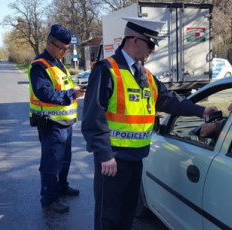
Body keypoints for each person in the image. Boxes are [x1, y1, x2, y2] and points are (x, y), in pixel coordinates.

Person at [81, 17, 217, 230]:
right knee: (108, 218)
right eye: (150, 44)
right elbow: (92, 117)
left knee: (126, 216)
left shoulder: (145, 75)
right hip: (113, 160)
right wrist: (104, 154)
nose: (152, 50)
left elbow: (170, 101)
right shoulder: (107, 70)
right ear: (134, 40)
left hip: (136, 158)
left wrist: (201, 111)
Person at [28, 24, 86, 213]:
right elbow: (44, 92)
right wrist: (72, 95)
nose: (64, 52)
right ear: (49, 43)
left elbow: (61, 86)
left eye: (67, 49)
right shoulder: (40, 65)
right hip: (50, 123)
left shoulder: (57, 63)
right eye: (62, 48)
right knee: (51, 162)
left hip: (65, 122)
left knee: (64, 160)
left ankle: (61, 186)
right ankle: (49, 199)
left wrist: (75, 91)